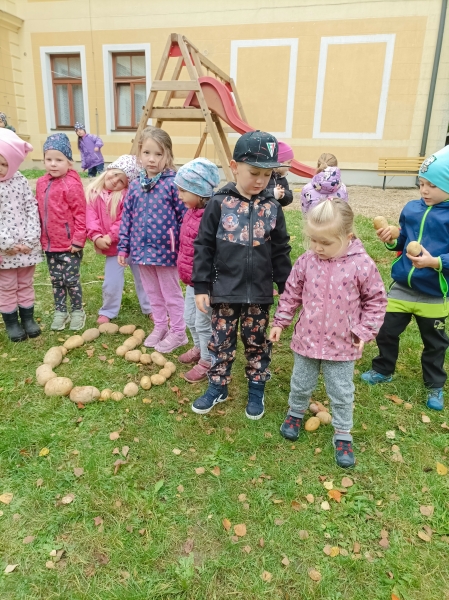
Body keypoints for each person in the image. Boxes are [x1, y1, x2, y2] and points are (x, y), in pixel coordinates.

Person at [270, 199, 387, 467]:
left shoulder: (362, 265)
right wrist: (280, 322)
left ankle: (343, 432)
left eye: (325, 242)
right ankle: (295, 412)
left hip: (343, 344)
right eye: (313, 240)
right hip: (307, 339)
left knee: (341, 391)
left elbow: (376, 301)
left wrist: (364, 331)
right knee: (301, 382)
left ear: (348, 237)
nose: (318, 247)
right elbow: (291, 294)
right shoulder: (306, 261)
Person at [191, 130, 292, 419]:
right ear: (235, 167)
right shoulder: (219, 203)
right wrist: (201, 285)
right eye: (254, 173)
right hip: (224, 290)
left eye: (267, 175)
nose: (260, 180)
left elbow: (280, 250)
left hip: (259, 293)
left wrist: (287, 286)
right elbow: (204, 245)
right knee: (221, 342)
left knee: (257, 342)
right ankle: (218, 386)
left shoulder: (273, 207)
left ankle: (256, 388)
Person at [362, 146, 449, 411]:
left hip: (433, 293)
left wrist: (435, 262)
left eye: (432, 185)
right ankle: (383, 369)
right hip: (403, 287)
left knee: (434, 343)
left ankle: (434, 384)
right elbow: (402, 242)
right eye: (421, 183)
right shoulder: (411, 209)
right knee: (386, 331)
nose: (424, 190)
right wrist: (391, 238)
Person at [118, 126, 187, 353]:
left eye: (158, 154)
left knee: (171, 294)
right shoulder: (135, 186)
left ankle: (179, 332)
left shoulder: (173, 184)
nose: (152, 159)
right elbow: (127, 217)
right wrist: (124, 247)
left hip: (167, 252)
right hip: (141, 251)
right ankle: (160, 326)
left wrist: (182, 246)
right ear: (139, 153)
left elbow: (184, 217)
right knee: (153, 294)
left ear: (168, 155)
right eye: (147, 153)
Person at [86, 154, 152, 324]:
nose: (115, 180)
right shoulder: (93, 194)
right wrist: (96, 236)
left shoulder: (126, 196)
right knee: (111, 281)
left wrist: (110, 235)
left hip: (135, 247)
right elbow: (90, 217)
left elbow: (124, 219)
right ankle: (108, 310)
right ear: (109, 169)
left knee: (144, 279)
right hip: (114, 250)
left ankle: (151, 308)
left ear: (127, 184)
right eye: (115, 174)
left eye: (121, 180)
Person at [36, 133, 87, 331]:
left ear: (69, 162)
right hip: (50, 245)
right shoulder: (41, 183)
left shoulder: (71, 184)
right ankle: (60, 311)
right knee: (56, 280)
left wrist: (78, 240)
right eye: (49, 159)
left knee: (71, 280)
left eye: (59, 159)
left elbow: (81, 213)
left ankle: (77, 311)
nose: (53, 164)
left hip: (69, 246)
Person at [176, 158, 220, 382]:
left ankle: (207, 359)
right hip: (191, 280)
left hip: (205, 283)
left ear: (199, 191)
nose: (179, 196)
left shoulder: (211, 217)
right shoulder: (191, 211)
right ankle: (198, 347)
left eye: (183, 191)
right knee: (189, 318)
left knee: (203, 323)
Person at [0, 129, 42, 341]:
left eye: (4, 164)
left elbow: (31, 208)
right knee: (7, 286)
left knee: (25, 283)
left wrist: (30, 239)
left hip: (26, 248)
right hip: (5, 250)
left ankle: (28, 319)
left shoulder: (21, 181)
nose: (0, 169)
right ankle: (11, 322)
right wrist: (7, 243)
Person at [266, 141, 294, 207]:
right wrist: (273, 193)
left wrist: (283, 195)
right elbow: (259, 194)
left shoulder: (282, 178)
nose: (290, 165)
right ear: (279, 163)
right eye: (288, 162)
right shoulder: (265, 176)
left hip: (276, 212)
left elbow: (289, 198)